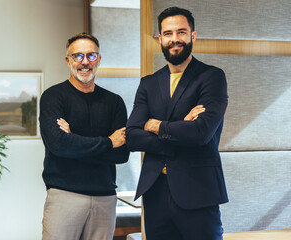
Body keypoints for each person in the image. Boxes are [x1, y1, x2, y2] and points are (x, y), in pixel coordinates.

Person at [126, 7, 228, 240]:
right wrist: (181, 127)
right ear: (160, 38)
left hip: (198, 191)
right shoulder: (148, 84)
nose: (175, 39)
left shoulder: (212, 77)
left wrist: (155, 126)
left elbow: (201, 133)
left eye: (181, 32)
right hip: (155, 192)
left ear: (193, 35)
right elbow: (132, 136)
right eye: (168, 33)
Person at [39, 32, 130, 240]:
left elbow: (122, 154)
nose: (85, 62)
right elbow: (59, 145)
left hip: (105, 197)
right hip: (64, 195)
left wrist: (74, 140)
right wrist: (108, 142)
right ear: (68, 60)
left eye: (91, 56)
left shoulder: (114, 102)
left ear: (99, 59)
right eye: (78, 56)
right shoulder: (53, 97)